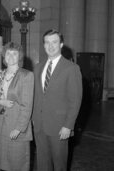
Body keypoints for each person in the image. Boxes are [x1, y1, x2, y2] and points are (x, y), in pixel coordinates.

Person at [32, 29, 83, 171]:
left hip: (60, 127)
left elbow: (75, 100)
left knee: (60, 165)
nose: (51, 45)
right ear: (43, 45)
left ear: (61, 44)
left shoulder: (71, 68)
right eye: (47, 42)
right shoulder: (38, 68)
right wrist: (34, 118)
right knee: (42, 164)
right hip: (40, 125)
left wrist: (68, 125)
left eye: (54, 42)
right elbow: (37, 96)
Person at [0, 42, 34, 171]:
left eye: (14, 53)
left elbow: (27, 106)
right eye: (8, 53)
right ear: (4, 56)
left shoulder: (26, 75)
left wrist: (19, 128)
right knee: (2, 162)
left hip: (16, 126)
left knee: (18, 163)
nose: (11, 56)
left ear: (20, 56)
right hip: (0, 126)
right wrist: (0, 102)